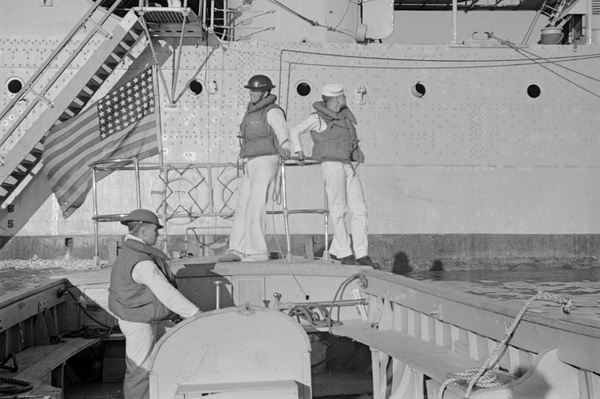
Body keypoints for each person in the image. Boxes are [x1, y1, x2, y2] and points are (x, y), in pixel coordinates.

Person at [108, 209, 200, 399]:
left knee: (154, 362)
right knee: (140, 370)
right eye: (155, 231)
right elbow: (166, 293)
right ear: (143, 232)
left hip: (139, 316)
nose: (157, 235)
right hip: (138, 321)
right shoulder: (142, 262)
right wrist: (196, 314)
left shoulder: (130, 253)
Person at [289, 84, 380, 268]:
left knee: (360, 208)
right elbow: (295, 130)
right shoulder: (318, 118)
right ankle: (345, 253)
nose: (345, 99)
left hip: (347, 164)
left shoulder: (344, 117)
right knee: (338, 210)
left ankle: (361, 253)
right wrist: (298, 151)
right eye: (344, 96)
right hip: (331, 164)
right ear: (337, 99)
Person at [219, 75, 291, 262]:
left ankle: (257, 251)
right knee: (243, 206)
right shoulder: (251, 111)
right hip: (251, 161)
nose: (250, 93)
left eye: (254, 90)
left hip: (267, 160)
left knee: (255, 205)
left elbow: (282, 130)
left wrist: (285, 147)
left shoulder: (272, 111)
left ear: (265, 92)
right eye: (250, 90)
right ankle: (237, 249)